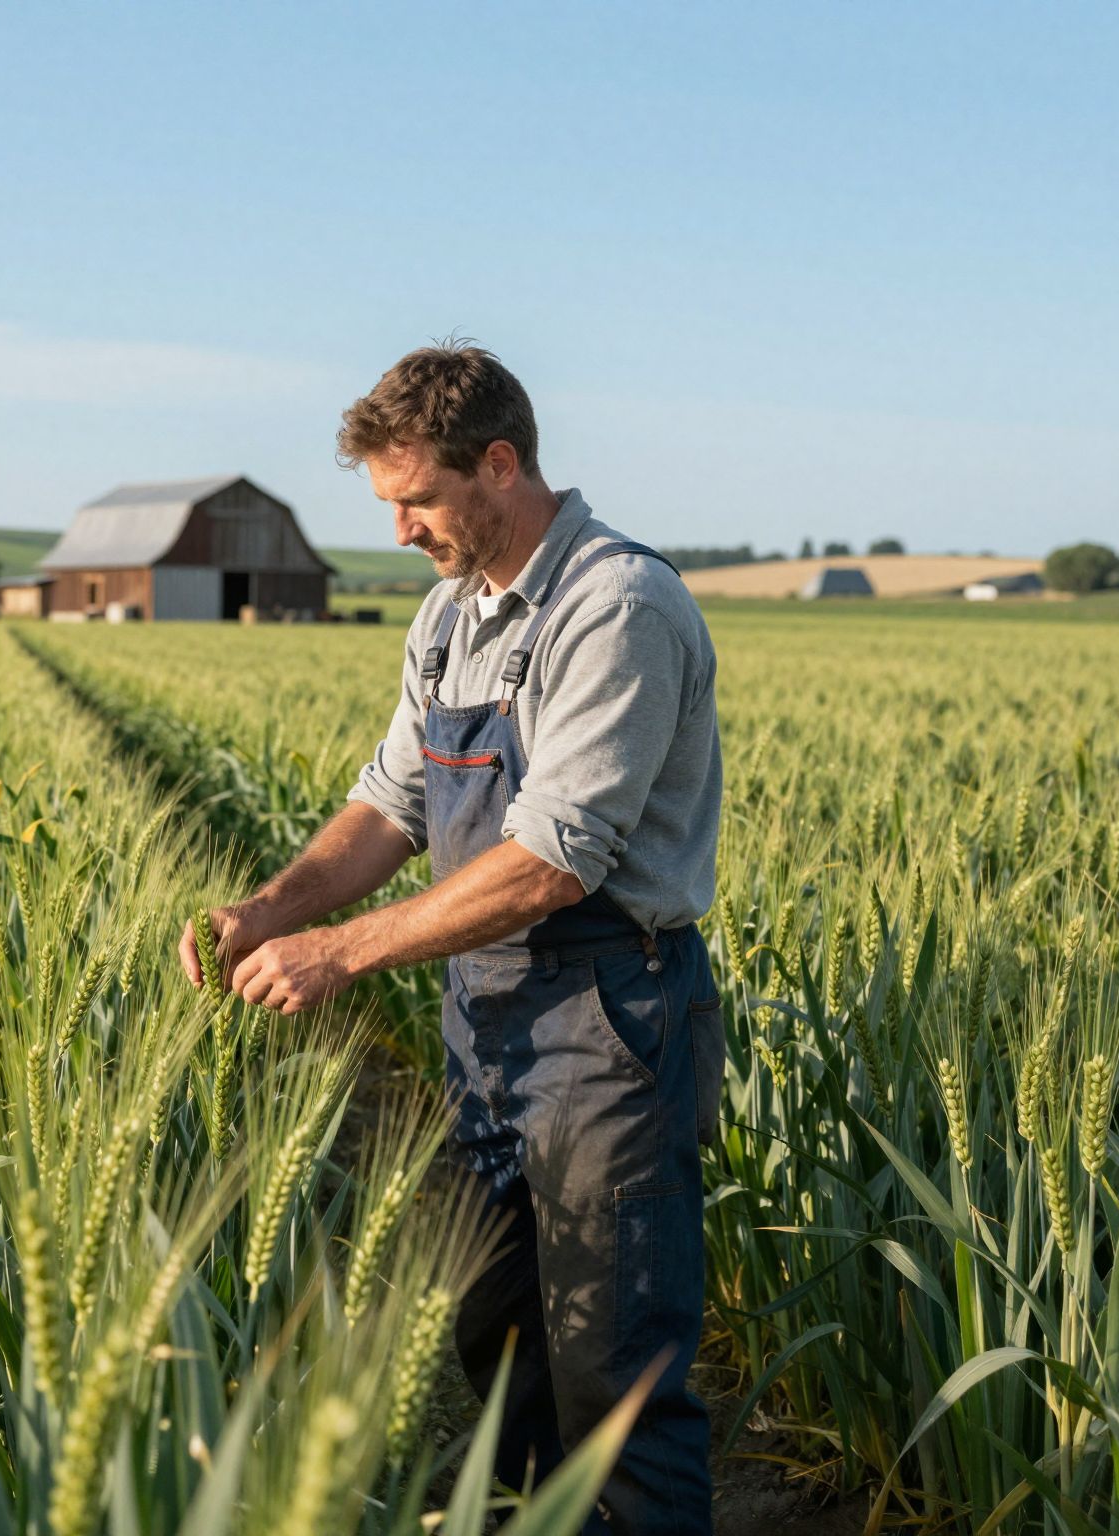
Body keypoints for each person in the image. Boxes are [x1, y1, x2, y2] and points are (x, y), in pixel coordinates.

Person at [179, 340, 724, 1535]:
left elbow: (547, 861)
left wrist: (340, 954)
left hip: (607, 1024)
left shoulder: (614, 604)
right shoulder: (445, 616)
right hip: (481, 1016)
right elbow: (391, 803)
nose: (401, 531)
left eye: (416, 499)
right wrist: (272, 910)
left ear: (498, 464)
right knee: (498, 1344)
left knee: (611, 1375)